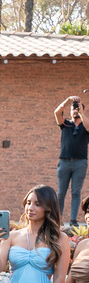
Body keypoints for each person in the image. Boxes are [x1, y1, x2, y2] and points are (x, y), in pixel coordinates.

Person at [55, 95, 89, 226]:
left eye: (77, 108)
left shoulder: (85, 127)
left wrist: (80, 111)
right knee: (61, 193)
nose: (74, 110)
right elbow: (56, 112)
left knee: (76, 192)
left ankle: (73, 221)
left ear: (83, 111)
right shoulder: (66, 124)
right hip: (64, 162)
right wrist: (68, 100)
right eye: (73, 109)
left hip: (80, 163)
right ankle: (57, 220)